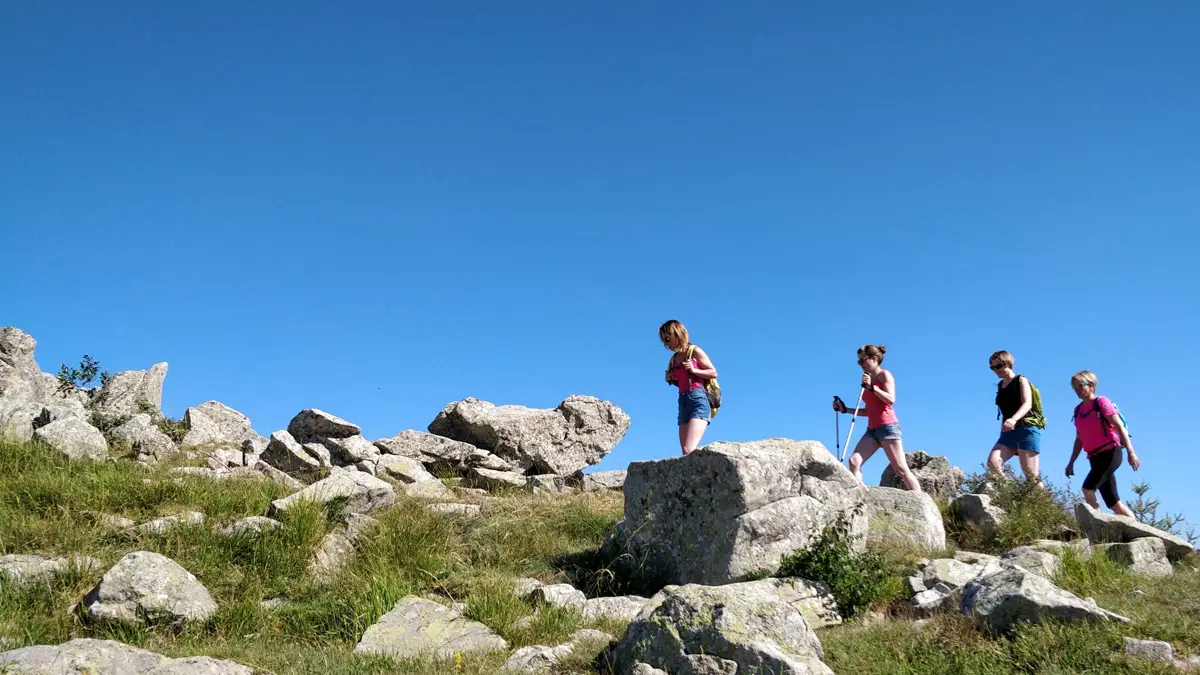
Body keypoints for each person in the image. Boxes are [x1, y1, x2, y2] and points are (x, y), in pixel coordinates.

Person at [832, 344, 921, 491]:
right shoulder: (867, 382)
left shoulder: (884, 375)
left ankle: (922, 505)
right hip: (872, 429)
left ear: (874, 358)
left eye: (863, 360)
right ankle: (861, 499)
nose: (860, 364)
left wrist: (873, 388)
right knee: (854, 461)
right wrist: (844, 409)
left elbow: (891, 399)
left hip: (888, 427)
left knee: (901, 470)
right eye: (858, 362)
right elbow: (869, 411)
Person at [1065, 370, 1140, 517]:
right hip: (1094, 457)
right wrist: (1071, 462)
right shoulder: (1078, 410)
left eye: (1081, 385)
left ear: (1091, 385)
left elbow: (1120, 427)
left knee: (1088, 489)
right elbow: (1079, 439)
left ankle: (1097, 527)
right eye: (1074, 387)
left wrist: (1131, 452)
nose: (1077, 390)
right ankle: (1140, 531)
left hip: (1111, 453)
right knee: (1114, 503)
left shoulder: (1101, 402)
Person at [985, 350, 1047, 486]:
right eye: (993, 367)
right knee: (993, 463)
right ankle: (1011, 494)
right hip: (1008, 433)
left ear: (1008, 363)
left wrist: (1013, 419)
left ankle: (1046, 506)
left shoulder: (1020, 380)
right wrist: (1004, 429)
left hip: (1026, 429)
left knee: (1031, 475)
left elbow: (1027, 404)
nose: (996, 370)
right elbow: (1005, 411)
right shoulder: (1001, 386)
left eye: (999, 366)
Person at [659, 320, 717, 455]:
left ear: (677, 334)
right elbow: (682, 382)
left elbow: (713, 372)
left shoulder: (694, 351)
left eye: (667, 339)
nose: (666, 344)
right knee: (685, 452)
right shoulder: (673, 360)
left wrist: (695, 370)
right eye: (663, 340)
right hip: (683, 401)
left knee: (688, 449)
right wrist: (671, 380)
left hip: (698, 400)